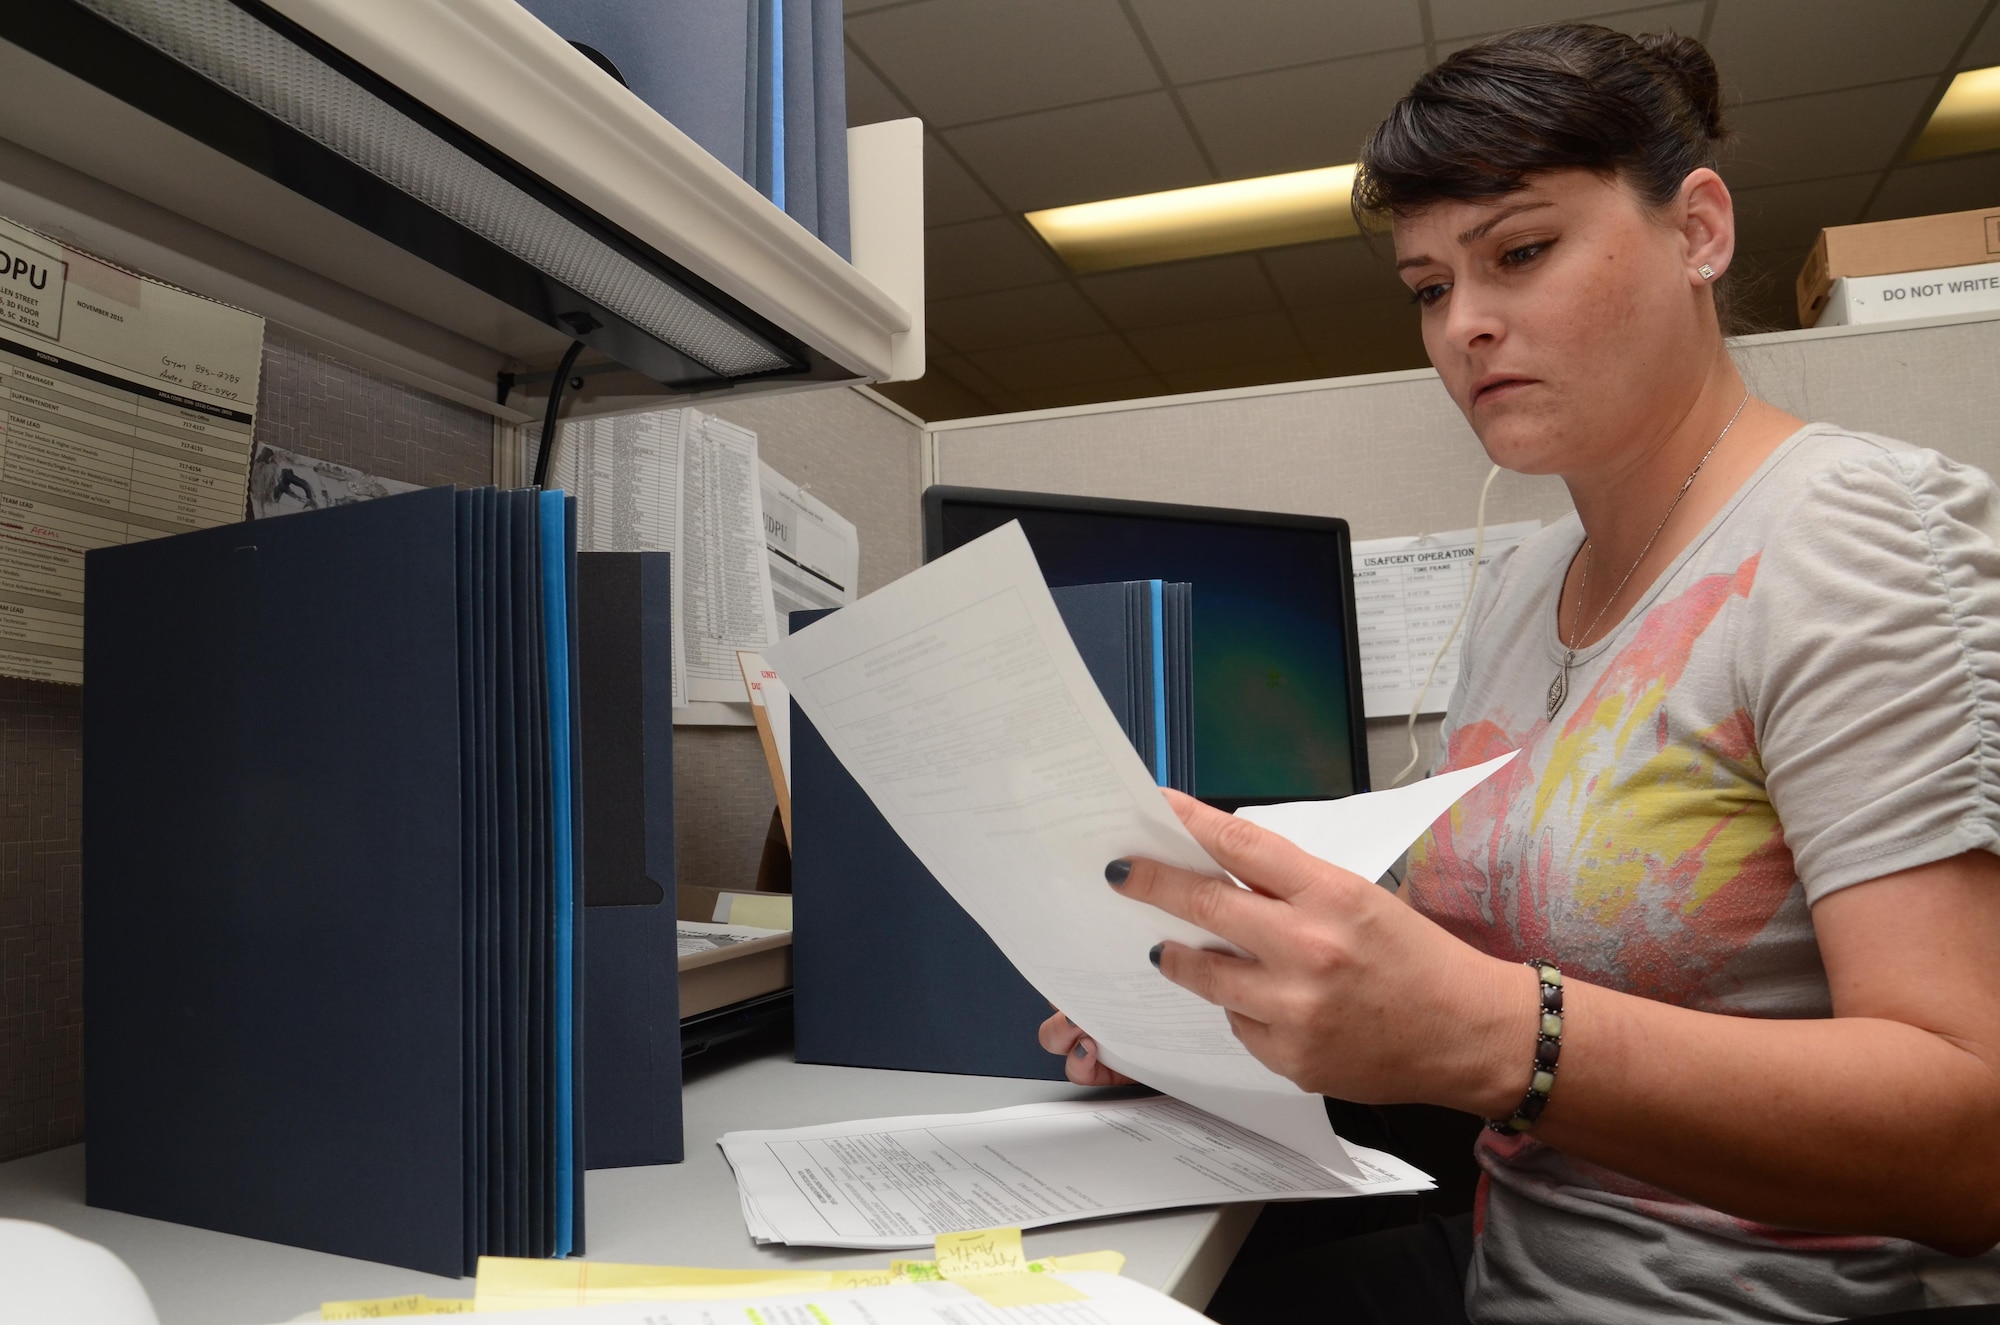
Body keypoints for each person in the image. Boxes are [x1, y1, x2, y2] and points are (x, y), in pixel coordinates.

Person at [1038, 23, 2000, 1324]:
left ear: (1698, 230)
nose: (1466, 327)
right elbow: (1446, 979)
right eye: (1429, 287)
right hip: (1508, 1271)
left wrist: (1498, 1034)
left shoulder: (1857, 532)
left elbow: (1970, 1132)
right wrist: (1229, 1008)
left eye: (1522, 252)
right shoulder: (1521, 583)